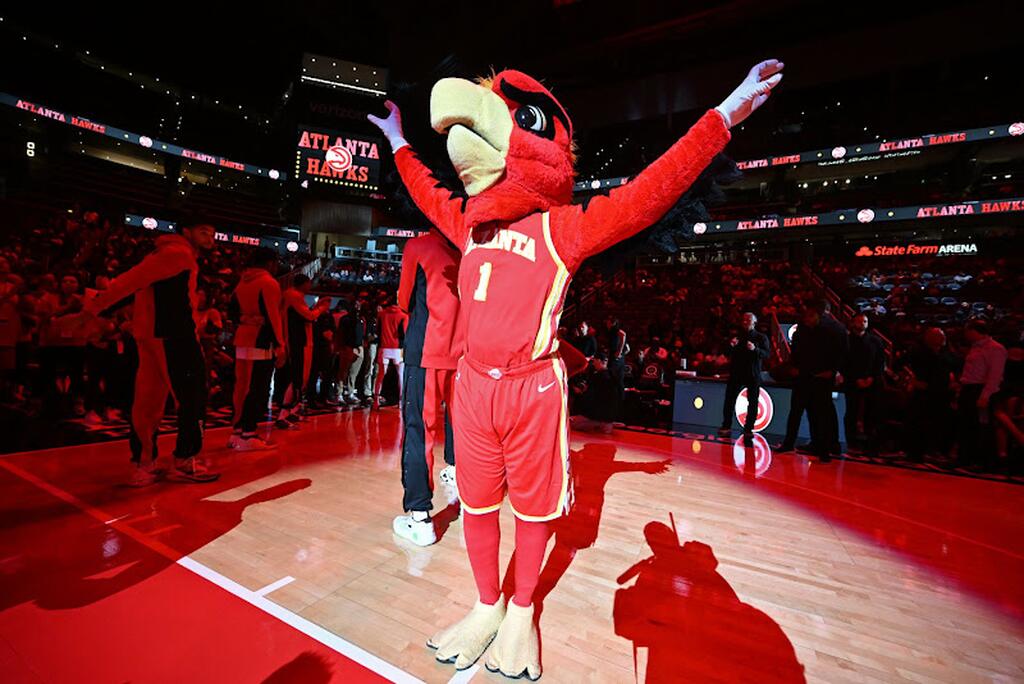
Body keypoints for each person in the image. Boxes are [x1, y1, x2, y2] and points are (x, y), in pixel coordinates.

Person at [369, 59, 781, 677]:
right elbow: (429, 191)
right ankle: (486, 606)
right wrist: (401, 141)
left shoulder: (563, 228)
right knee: (478, 507)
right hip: (473, 389)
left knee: (534, 513)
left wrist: (724, 117)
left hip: (534, 391)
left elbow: (650, 192)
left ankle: (520, 612)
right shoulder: (470, 223)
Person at [71, 220, 219, 485]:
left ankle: (144, 464)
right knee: (192, 398)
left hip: (153, 337)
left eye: (212, 232)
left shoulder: (167, 253)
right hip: (175, 337)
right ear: (186, 231)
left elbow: (134, 285)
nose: (210, 236)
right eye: (203, 230)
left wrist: (94, 310)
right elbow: (128, 282)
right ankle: (185, 461)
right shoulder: (178, 254)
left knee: (147, 404)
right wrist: (90, 312)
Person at [392, 229, 463, 546]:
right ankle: (461, 481)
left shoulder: (418, 246)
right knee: (461, 424)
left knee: (419, 430)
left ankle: (420, 518)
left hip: (427, 350)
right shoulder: (464, 250)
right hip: (462, 354)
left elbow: (403, 300)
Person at [228, 248, 285, 451]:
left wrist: (247, 319)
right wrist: (280, 344)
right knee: (258, 388)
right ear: (269, 263)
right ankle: (248, 433)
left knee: (241, 387)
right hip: (260, 340)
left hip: (241, 337)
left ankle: (236, 431)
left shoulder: (242, 281)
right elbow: (273, 316)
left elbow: (232, 312)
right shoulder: (268, 282)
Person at [780, 300, 847, 462]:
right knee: (797, 411)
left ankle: (824, 450)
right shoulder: (801, 331)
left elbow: (841, 353)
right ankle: (790, 443)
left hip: (821, 378)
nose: (806, 319)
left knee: (820, 414)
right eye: (806, 316)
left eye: (810, 316)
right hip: (803, 376)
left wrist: (833, 371)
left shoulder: (832, 331)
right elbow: (795, 351)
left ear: (819, 315)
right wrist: (793, 367)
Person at [954, 318, 1007, 468]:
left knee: (981, 426)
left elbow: (994, 375)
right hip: (969, 389)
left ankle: (982, 460)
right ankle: (965, 458)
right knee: (966, 425)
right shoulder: (975, 347)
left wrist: (985, 396)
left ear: (974, 331)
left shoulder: (995, 348)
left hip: (981, 390)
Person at [901, 327, 955, 463]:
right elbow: (900, 364)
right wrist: (910, 379)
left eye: (943, 336)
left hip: (941, 394)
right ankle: (914, 452)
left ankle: (934, 450)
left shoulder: (947, 354)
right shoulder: (917, 352)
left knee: (938, 423)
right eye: (939, 336)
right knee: (918, 422)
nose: (943, 339)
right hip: (922, 393)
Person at [274, 275, 318, 429]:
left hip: (294, 341)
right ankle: (283, 415)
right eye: (309, 283)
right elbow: (310, 316)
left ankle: (291, 411)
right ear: (303, 283)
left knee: (297, 378)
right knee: (295, 378)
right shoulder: (293, 296)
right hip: (295, 342)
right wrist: (322, 308)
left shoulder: (290, 295)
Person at [718, 312, 770, 436]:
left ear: (754, 322)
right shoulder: (736, 337)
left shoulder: (761, 337)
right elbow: (726, 353)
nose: (745, 322)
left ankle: (748, 428)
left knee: (752, 402)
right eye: (744, 319)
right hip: (736, 373)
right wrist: (730, 345)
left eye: (748, 319)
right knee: (729, 400)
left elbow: (767, 354)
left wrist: (754, 349)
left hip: (752, 374)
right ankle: (726, 425)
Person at [841, 313, 885, 456]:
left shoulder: (875, 341)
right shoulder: (846, 341)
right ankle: (851, 442)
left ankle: (870, 444)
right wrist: (855, 379)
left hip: (872, 383)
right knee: (851, 412)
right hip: (852, 382)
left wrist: (871, 378)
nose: (862, 324)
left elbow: (880, 362)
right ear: (852, 323)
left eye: (865, 321)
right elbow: (844, 363)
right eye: (859, 321)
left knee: (871, 413)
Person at [374, 294, 407, 407]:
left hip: (384, 347)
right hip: (398, 349)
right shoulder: (403, 316)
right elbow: (404, 333)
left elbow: (377, 330)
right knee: (400, 375)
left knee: (380, 375)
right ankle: (401, 402)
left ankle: (375, 401)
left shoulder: (382, 314)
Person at [306, 296, 337, 408]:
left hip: (326, 348)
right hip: (316, 347)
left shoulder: (329, 316)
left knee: (327, 374)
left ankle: (323, 397)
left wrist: (331, 337)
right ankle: (311, 398)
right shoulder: (315, 315)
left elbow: (333, 330)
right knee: (313, 374)